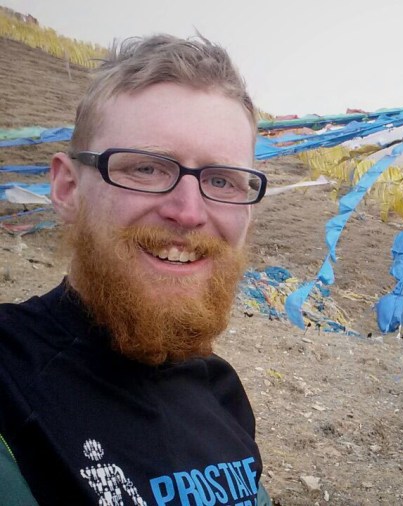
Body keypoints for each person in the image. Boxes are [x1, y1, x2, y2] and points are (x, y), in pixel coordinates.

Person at [0, 34, 271, 504]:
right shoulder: (9, 377)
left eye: (222, 180)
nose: (188, 212)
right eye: (146, 169)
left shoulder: (222, 392)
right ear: (67, 189)